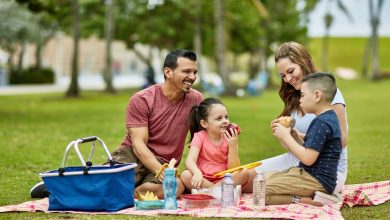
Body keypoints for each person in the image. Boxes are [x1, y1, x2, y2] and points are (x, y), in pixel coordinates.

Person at [30, 49, 203, 199]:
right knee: (103, 182)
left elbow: (201, 138)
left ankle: (118, 192)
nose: (192, 77)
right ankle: (59, 187)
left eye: (194, 72)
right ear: (168, 72)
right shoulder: (142, 99)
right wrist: (164, 174)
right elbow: (138, 144)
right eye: (186, 71)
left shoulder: (196, 100)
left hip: (166, 161)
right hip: (133, 154)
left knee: (176, 188)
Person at [243, 41, 348, 197]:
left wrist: (290, 137)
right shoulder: (297, 96)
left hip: (324, 171)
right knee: (243, 176)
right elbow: (295, 146)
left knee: (260, 184)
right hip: (298, 161)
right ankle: (205, 189)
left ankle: (302, 198)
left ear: (303, 62)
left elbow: (342, 140)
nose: (288, 79)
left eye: (291, 71)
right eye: (283, 75)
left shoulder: (327, 94)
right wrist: (287, 133)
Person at [265, 72, 342, 206]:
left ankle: (307, 201)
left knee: (262, 189)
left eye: (302, 95)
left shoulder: (322, 122)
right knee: (265, 178)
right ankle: (313, 196)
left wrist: (286, 136)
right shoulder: (327, 118)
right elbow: (312, 150)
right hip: (312, 175)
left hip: (316, 180)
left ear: (317, 95)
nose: (300, 100)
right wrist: (295, 135)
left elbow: (307, 158)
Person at [180, 98, 249, 192]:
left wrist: (233, 146)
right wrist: (197, 173)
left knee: (244, 172)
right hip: (203, 177)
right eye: (219, 118)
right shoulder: (199, 137)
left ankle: (211, 191)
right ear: (204, 123)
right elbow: (190, 161)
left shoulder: (229, 138)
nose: (225, 121)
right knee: (186, 175)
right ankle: (220, 191)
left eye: (226, 117)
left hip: (223, 178)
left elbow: (233, 169)